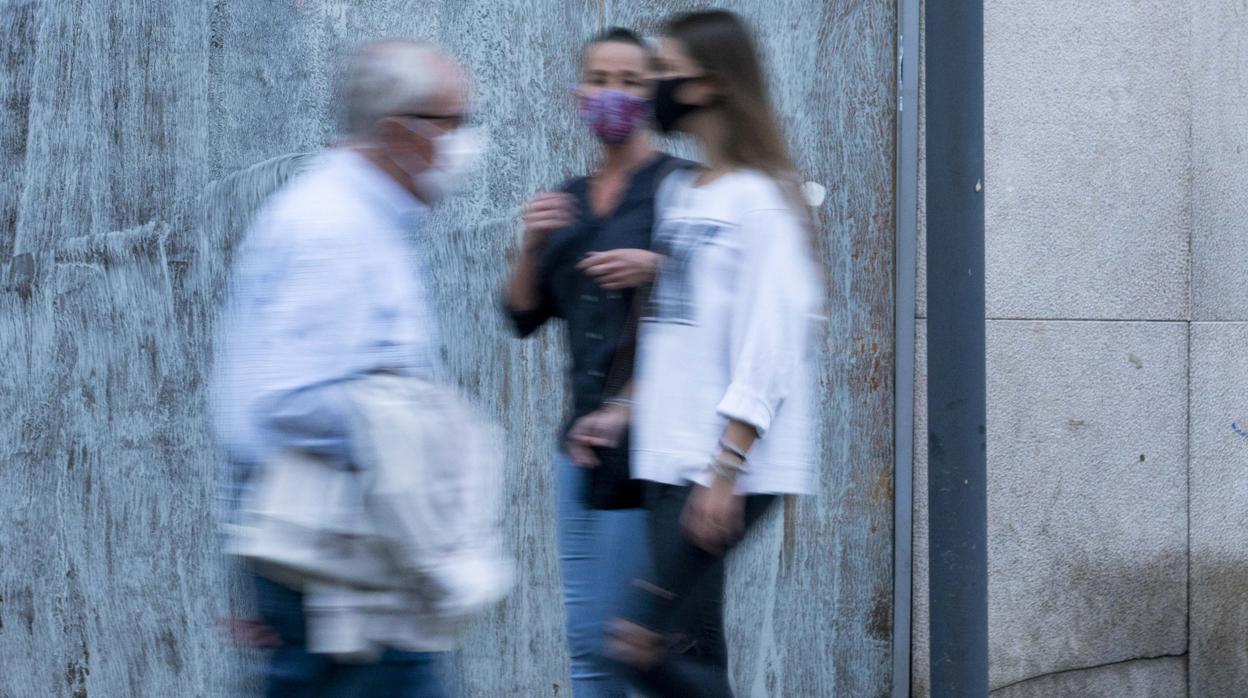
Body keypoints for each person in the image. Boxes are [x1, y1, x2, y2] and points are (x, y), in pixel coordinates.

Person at [211, 39, 486, 698]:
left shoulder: (361, 219)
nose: (467, 143)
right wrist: (417, 423)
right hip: (341, 568)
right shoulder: (333, 230)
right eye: (453, 123)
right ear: (398, 131)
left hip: (352, 563)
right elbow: (282, 400)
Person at [590, 10, 825, 697]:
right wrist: (623, 409)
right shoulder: (681, 193)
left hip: (727, 465)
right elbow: (678, 329)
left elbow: (772, 340)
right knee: (687, 648)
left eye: (662, 72)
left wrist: (725, 468)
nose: (647, 89)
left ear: (709, 87)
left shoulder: (765, 202)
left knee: (640, 646)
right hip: (671, 457)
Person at [503, 27, 698, 698]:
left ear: (650, 94)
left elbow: (723, 301)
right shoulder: (568, 200)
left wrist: (659, 266)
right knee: (587, 646)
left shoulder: (680, 189)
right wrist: (529, 247)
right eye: (601, 79)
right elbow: (521, 317)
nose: (613, 93)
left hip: (653, 451)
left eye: (630, 81)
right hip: (578, 453)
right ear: (578, 94)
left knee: (634, 649)